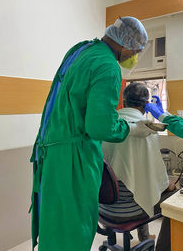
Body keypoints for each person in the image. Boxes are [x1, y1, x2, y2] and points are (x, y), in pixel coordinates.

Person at [29, 17, 157, 251]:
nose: (135, 56)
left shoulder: (80, 50)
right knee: (73, 228)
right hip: (72, 159)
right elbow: (99, 127)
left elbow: (83, 108)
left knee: (54, 223)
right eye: (137, 51)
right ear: (127, 45)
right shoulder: (108, 66)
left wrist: (115, 120)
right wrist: (130, 128)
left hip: (49, 151)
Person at [100, 83, 175, 251]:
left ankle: (143, 237)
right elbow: (154, 177)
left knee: (136, 183)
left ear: (124, 101)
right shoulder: (147, 129)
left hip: (103, 207)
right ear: (146, 104)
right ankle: (158, 246)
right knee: (173, 197)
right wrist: (168, 184)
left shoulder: (108, 124)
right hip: (130, 211)